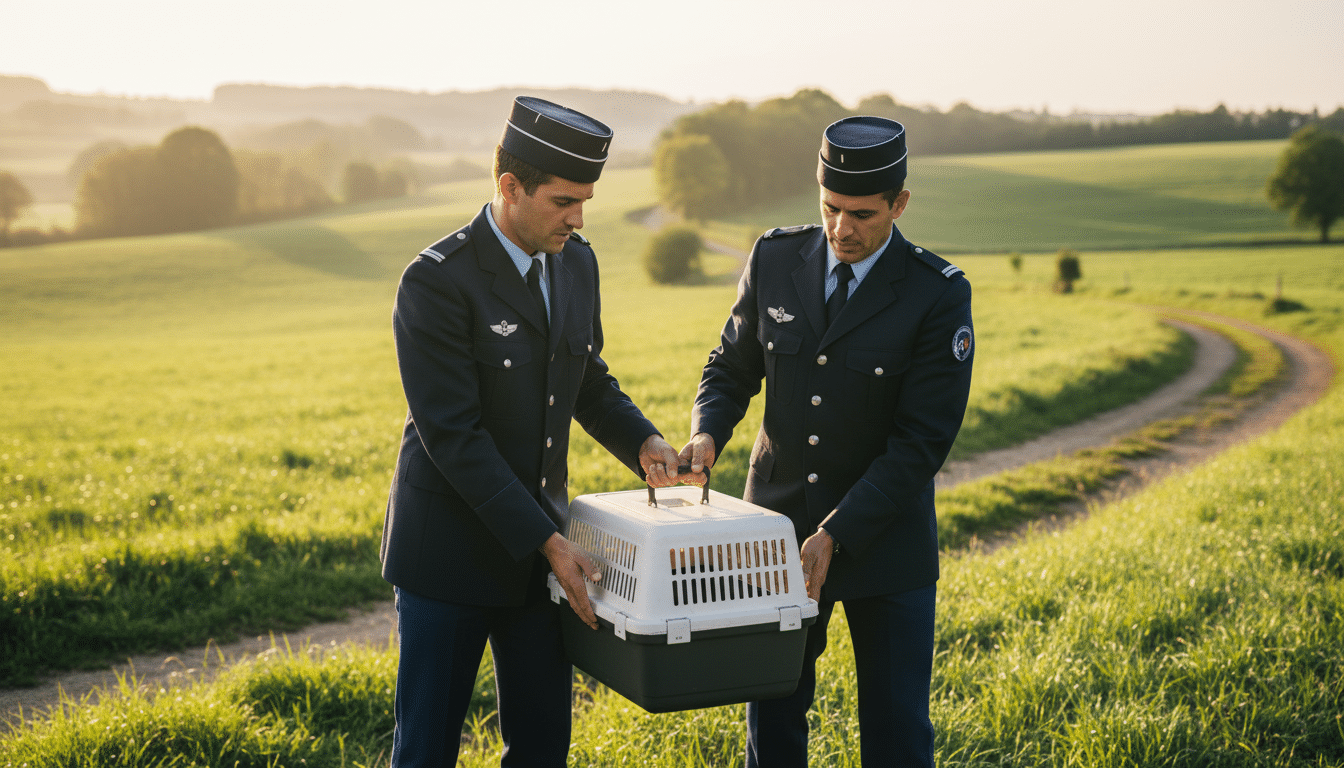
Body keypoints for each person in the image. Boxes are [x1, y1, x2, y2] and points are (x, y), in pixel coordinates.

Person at [380, 95, 685, 767]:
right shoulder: (435, 281)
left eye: (586, 202)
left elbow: (586, 378)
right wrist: (549, 541)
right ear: (510, 187)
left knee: (543, 745)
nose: (578, 219)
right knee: (426, 750)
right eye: (563, 202)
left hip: (540, 561)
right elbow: (453, 434)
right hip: (448, 557)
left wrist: (644, 442)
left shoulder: (577, 262)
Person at [679, 116, 974, 767]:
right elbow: (731, 368)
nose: (842, 228)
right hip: (776, 537)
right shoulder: (775, 258)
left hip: (886, 545)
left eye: (862, 214)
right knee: (773, 721)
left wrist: (837, 531)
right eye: (830, 207)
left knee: (896, 732)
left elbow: (921, 442)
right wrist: (707, 433)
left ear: (899, 204)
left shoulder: (936, 294)